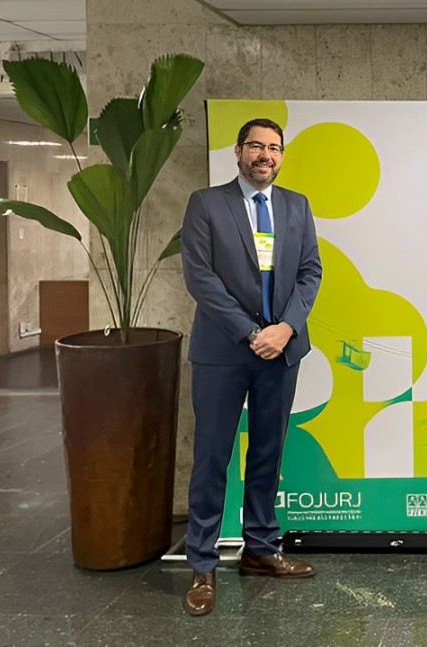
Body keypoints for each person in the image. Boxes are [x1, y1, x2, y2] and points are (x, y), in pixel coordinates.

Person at [180, 118, 323, 616]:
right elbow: (199, 277)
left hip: (282, 349)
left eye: (275, 147)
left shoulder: (295, 206)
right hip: (224, 350)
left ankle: (261, 549)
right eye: (257, 146)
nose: (266, 154)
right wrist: (249, 331)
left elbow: (310, 272)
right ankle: (202, 564)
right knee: (212, 457)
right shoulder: (207, 204)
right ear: (238, 152)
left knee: (267, 453)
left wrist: (285, 327)